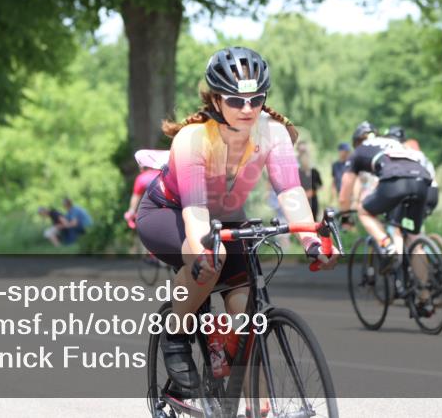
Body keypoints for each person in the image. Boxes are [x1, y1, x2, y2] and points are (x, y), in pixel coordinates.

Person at [136, 46, 339, 395]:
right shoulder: (193, 138)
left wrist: (310, 239)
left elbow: (290, 191)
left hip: (226, 217)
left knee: (244, 312)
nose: (247, 109)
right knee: (210, 261)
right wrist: (203, 253)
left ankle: (247, 399)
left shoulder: (273, 133)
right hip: (169, 212)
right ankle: (176, 335)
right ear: (216, 100)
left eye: (256, 100)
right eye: (235, 101)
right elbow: (196, 210)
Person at [337, 122, 437, 311]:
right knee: (414, 240)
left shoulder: (358, 152)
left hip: (396, 182)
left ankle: (386, 245)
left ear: (357, 142)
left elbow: (345, 192)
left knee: (364, 211)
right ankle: (425, 297)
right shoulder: (392, 143)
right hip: (422, 181)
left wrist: (345, 216)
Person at [296, 141, 323, 219]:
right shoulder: (297, 172)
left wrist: (313, 192)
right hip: (301, 202)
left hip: (313, 202)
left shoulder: (314, 171)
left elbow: (320, 185)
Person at [329, 142, 351, 208]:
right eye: (345, 151)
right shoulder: (335, 165)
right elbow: (334, 179)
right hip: (339, 193)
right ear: (340, 152)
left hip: (350, 193)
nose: (346, 153)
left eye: (347, 152)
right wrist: (332, 195)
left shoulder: (351, 164)